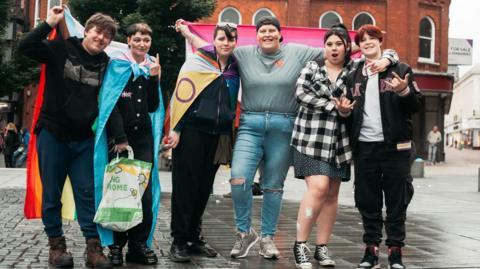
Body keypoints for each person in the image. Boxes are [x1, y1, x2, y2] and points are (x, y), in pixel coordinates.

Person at [176, 16, 398, 260]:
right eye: (263, 31)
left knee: (273, 185)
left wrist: (382, 52)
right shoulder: (244, 54)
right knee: (238, 179)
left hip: (284, 126)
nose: (267, 34)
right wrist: (188, 34)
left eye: (272, 30)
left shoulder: (298, 52)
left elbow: (340, 47)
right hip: (251, 123)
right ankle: (244, 233)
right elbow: (216, 47)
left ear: (280, 34)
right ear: (257, 35)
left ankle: (268, 238)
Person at [291, 24, 397, 269]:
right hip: (310, 139)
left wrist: (389, 59)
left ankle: (322, 248)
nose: (334, 48)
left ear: (348, 47)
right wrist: (334, 107)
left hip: (340, 143)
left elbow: (387, 53)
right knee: (318, 187)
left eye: (339, 44)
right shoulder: (312, 67)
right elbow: (301, 95)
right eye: (330, 44)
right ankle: (300, 245)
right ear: (324, 47)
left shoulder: (355, 68)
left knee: (331, 196)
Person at [18, 6, 117, 269]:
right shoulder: (60, 49)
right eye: (98, 32)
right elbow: (25, 47)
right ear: (86, 30)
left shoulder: (105, 62)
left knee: (87, 193)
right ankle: (56, 246)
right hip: (53, 134)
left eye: (107, 35)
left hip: (83, 140)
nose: (101, 38)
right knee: (52, 194)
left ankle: (93, 248)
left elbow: (113, 97)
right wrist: (49, 23)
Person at [346, 25, 422, 269]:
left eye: (372, 38)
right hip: (365, 148)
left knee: (397, 200)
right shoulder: (353, 74)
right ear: (359, 45)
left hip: (395, 147)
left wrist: (403, 90)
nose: (367, 42)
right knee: (367, 201)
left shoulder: (400, 69)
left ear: (380, 41)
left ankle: (395, 252)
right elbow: (348, 111)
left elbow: (416, 105)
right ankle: (370, 250)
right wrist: (342, 111)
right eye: (362, 40)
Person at [166, 21, 240, 262]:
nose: (225, 43)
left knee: (204, 188)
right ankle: (178, 241)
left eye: (230, 39)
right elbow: (182, 95)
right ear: (214, 40)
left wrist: (188, 34)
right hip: (192, 132)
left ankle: (193, 237)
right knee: (185, 188)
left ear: (235, 42)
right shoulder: (199, 61)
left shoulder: (236, 66)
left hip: (219, 134)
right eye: (221, 39)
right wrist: (175, 129)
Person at [95, 22, 161, 266]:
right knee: (118, 191)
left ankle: (138, 245)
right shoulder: (118, 66)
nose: (142, 44)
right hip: (120, 139)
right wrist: (120, 139)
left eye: (146, 40)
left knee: (142, 194)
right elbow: (111, 105)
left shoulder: (150, 68)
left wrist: (154, 79)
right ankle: (115, 246)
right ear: (129, 41)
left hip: (143, 138)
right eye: (137, 40)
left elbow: (153, 106)